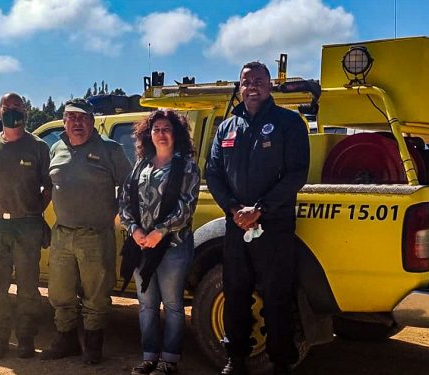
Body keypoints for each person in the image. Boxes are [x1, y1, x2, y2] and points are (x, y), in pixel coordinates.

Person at [205, 62, 310, 375]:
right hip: (236, 226)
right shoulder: (227, 127)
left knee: (277, 295)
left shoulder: (289, 123)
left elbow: (296, 173)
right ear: (239, 87)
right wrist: (235, 209)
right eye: (246, 81)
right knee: (235, 293)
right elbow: (213, 173)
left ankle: (281, 362)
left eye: (259, 80)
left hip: (274, 225)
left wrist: (261, 209)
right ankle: (235, 358)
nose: (252, 86)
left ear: (270, 86)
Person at [42, 98, 132, 364]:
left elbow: (129, 187)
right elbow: (48, 186)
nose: (77, 122)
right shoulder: (55, 148)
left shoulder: (110, 149)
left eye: (82, 118)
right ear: (64, 121)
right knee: (59, 292)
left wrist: (117, 216)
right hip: (62, 234)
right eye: (72, 117)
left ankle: (93, 345)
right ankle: (66, 340)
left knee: (96, 293)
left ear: (92, 121)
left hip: (95, 234)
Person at [119, 110, 201, 375]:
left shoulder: (187, 166)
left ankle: (169, 359)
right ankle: (149, 356)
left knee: (173, 305)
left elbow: (186, 207)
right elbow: (125, 201)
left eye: (166, 128)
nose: (161, 133)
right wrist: (134, 230)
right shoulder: (141, 165)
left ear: (176, 133)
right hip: (141, 246)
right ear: (148, 134)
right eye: (156, 129)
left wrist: (160, 232)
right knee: (146, 304)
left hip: (172, 246)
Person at [0, 93, 52, 360]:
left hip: (28, 226)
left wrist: (33, 211)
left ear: (26, 111)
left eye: (17, 107)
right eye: (6, 108)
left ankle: (25, 339)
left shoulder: (38, 147)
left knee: (27, 286)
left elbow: (48, 186)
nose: (12, 111)